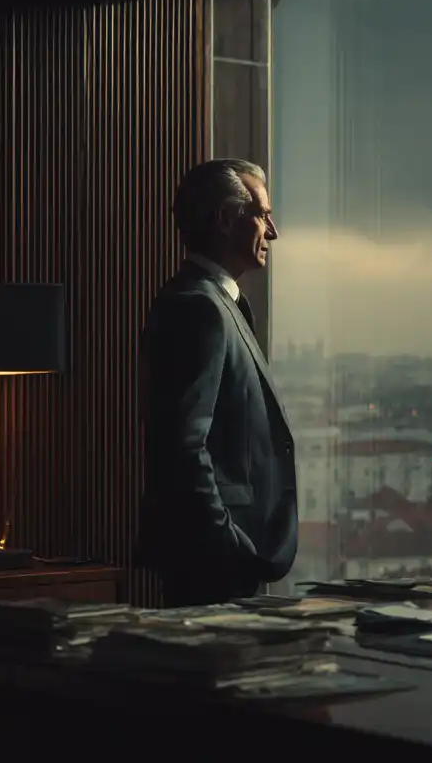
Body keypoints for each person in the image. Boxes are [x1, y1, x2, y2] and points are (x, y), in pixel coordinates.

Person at [138, 158, 297, 606]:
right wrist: (232, 546)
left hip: (223, 561)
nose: (272, 231)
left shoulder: (210, 303)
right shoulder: (200, 309)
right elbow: (182, 448)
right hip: (216, 565)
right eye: (262, 215)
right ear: (226, 220)